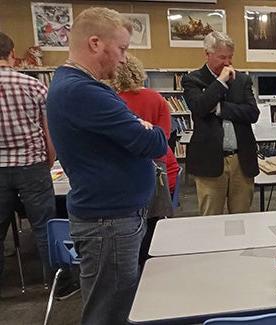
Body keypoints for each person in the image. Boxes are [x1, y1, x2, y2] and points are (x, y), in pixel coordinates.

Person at [46, 7, 168, 325]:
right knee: (110, 312)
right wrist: (143, 127)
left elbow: (144, 137)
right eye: (123, 48)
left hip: (109, 218)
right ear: (96, 43)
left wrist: (140, 126)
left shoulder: (71, 83)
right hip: (109, 223)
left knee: (114, 305)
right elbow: (154, 143)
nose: (125, 59)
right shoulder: (84, 91)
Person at [0, 32, 56, 295]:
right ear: (12, 54)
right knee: (44, 226)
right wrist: (50, 160)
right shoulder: (33, 85)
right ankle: (57, 282)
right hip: (32, 164)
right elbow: (49, 131)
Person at [182, 31, 259, 215]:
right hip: (210, 160)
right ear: (207, 54)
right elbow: (200, 107)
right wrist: (220, 81)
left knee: (241, 219)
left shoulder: (242, 80)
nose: (227, 63)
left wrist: (219, 109)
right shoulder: (192, 79)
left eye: (230, 57)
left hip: (241, 160)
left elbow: (252, 113)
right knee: (211, 219)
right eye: (222, 57)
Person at [108, 52, 179, 194]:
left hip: (133, 173)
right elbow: (164, 136)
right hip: (165, 170)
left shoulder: (113, 102)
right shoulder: (157, 98)